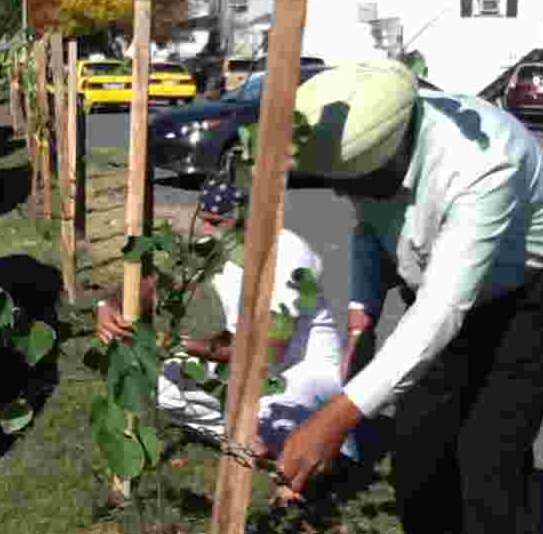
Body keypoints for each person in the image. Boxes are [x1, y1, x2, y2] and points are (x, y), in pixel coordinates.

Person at [273, 59, 543, 534]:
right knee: (419, 452)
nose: (347, 191)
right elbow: (369, 227)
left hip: (533, 296)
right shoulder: (372, 150)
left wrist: (337, 416)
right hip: (449, 294)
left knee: (488, 461)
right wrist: (362, 315)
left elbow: (442, 308)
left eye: (361, 180)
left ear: (399, 147)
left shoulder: (480, 163)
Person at [96, 178, 359, 463]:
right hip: (243, 366)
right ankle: (248, 442)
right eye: (206, 222)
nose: (210, 231)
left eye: (219, 223)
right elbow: (158, 283)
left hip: (297, 375)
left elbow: (267, 351)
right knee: (162, 385)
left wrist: (183, 344)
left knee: (293, 432)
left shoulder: (289, 254)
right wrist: (111, 303)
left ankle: (285, 446)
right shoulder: (216, 248)